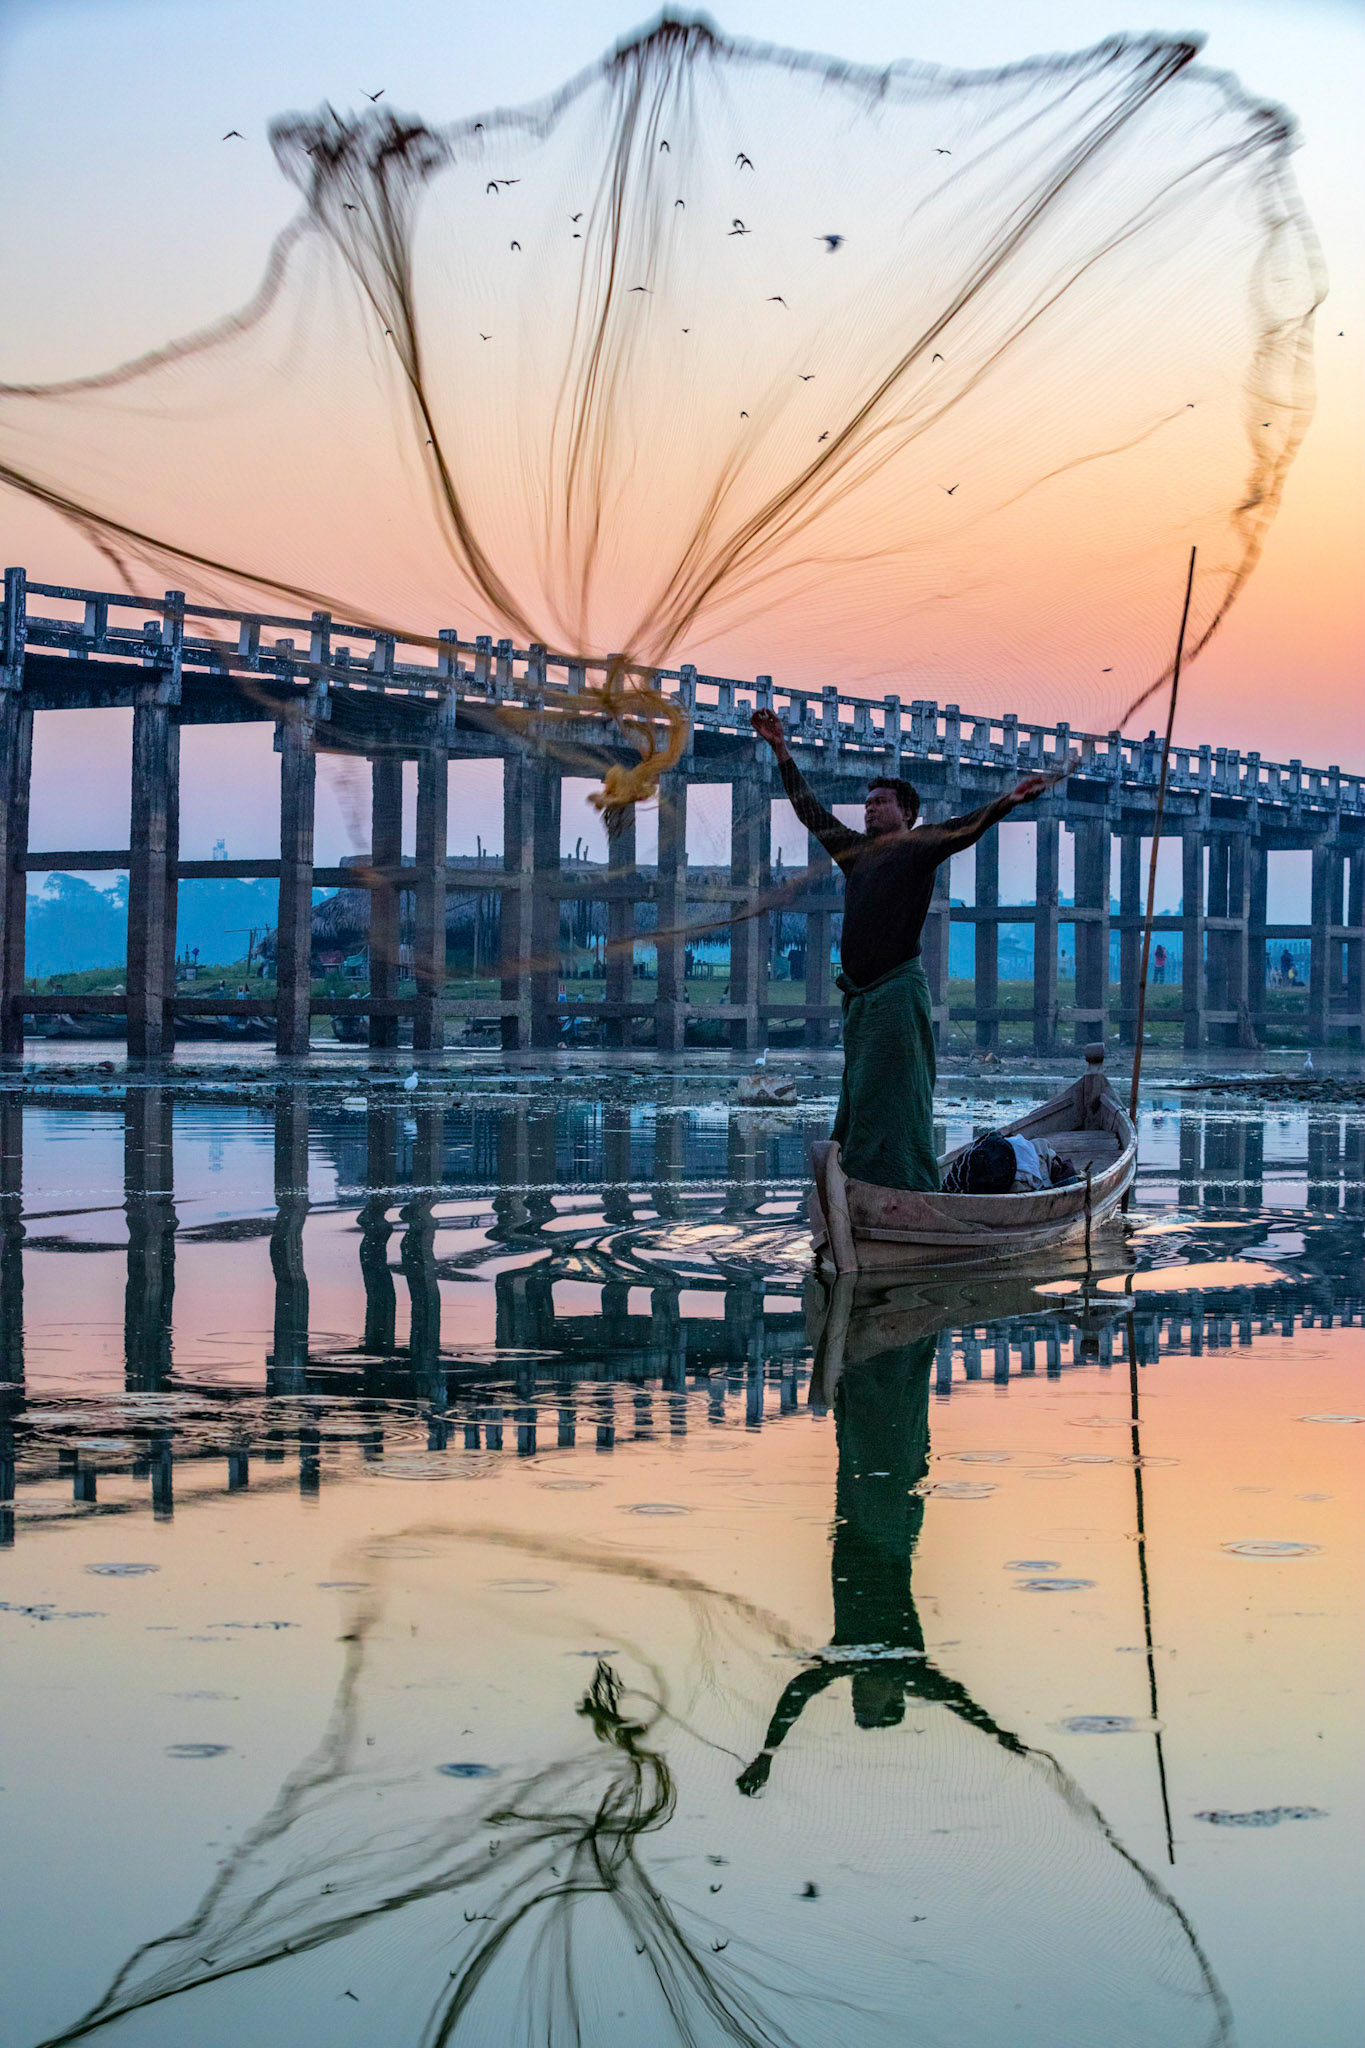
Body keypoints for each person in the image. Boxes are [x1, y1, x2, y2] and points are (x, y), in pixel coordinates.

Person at [751, 708, 1049, 1190]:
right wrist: (781, 749)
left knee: (891, 1095)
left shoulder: (919, 845)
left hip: (894, 997)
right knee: (861, 1095)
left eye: (881, 801)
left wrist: (1008, 800)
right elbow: (809, 810)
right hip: (861, 1003)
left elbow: (967, 826)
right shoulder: (854, 852)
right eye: (867, 802)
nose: (870, 808)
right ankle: (861, 1184)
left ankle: (903, 1187)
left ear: (907, 814)